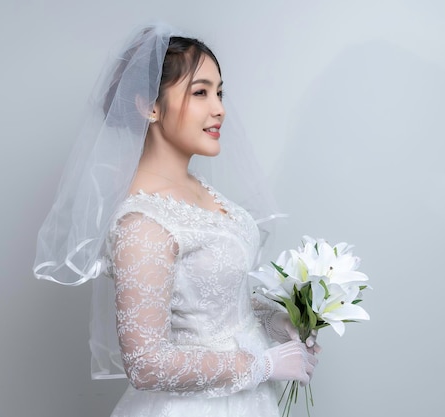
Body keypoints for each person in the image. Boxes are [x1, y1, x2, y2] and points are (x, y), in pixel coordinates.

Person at [33, 22, 319, 417]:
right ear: (149, 104)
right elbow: (146, 363)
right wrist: (263, 364)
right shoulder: (142, 221)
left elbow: (207, 299)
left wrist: (275, 322)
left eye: (219, 92)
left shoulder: (201, 189)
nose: (219, 107)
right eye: (199, 92)